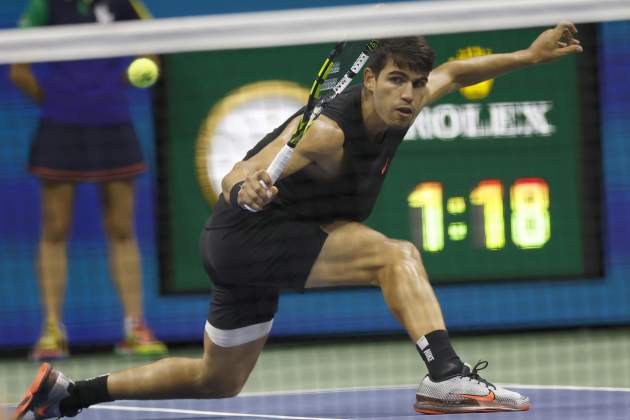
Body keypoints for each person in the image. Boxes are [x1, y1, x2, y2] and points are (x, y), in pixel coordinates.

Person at [13, 21, 582, 418]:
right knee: (396, 255)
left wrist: (531, 57)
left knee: (219, 380)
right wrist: (248, 187)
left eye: (414, 83)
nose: (408, 94)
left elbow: (456, 73)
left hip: (253, 249)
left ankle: (68, 394)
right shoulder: (328, 131)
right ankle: (445, 375)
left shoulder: (409, 101)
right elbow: (244, 168)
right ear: (369, 81)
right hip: (248, 235)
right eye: (395, 81)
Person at [9, 0, 167, 361]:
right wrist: (55, 104)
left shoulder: (124, 3)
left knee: (121, 227)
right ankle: (51, 329)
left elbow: (152, 52)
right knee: (54, 228)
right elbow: (19, 69)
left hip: (111, 124)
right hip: (60, 127)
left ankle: (134, 327)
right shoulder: (44, 6)